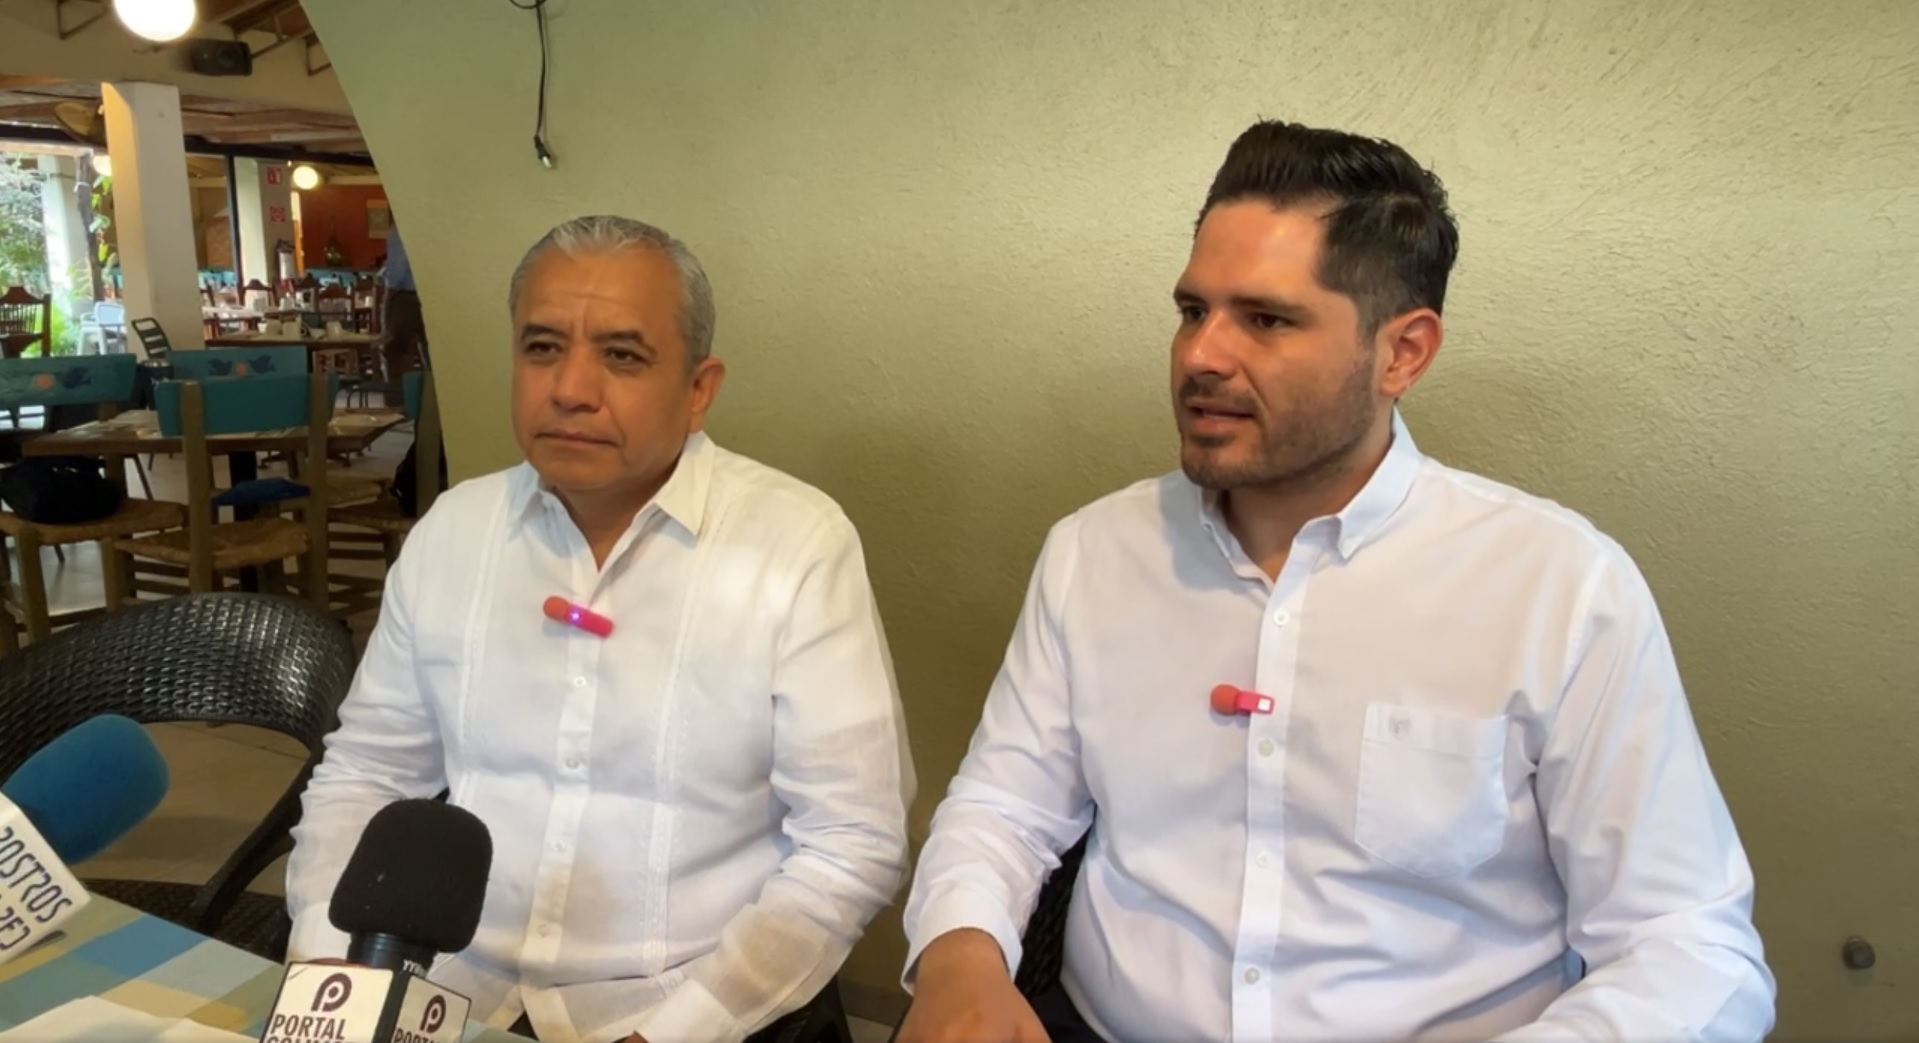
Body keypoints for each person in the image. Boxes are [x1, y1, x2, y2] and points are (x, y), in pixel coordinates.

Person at [897, 121, 1774, 1042]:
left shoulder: (1559, 587)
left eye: (1265, 319)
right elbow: (1006, 805)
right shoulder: (1093, 552)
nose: (1200, 355)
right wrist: (959, 960)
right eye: (1192, 310)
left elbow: (1689, 944)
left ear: (1402, 352)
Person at [287, 215, 916, 1043]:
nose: (571, 388)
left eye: (621, 355)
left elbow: (851, 840)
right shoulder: (453, 532)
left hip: (687, 1003)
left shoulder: (794, 544)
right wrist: (331, 977)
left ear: (699, 388)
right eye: (542, 347)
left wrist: (675, 1033)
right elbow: (367, 773)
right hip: (456, 991)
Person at [378, 219, 427, 396]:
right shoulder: (435, 226)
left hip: (406, 297)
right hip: (436, 295)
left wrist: (386, 301)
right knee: (435, 356)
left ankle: (400, 402)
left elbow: (396, 274)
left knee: (393, 351)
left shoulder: (400, 229)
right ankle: (431, 403)